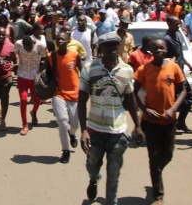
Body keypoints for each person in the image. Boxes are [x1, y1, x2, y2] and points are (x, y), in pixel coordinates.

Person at [80, 33, 144, 204]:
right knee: (92, 166)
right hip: (95, 130)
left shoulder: (127, 70)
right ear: (100, 49)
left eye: (116, 45)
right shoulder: (89, 69)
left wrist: (138, 125)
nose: (113, 48)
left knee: (114, 175)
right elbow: (81, 101)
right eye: (108, 45)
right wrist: (84, 130)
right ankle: (94, 180)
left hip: (118, 132)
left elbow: (131, 100)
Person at [133, 38, 188, 205]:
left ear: (166, 50)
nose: (160, 51)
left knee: (168, 154)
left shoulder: (174, 67)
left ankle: (157, 171)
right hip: (150, 122)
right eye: (156, 48)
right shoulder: (143, 70)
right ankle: (158, 195)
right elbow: (133, 94)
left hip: (169, 120)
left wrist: (173, 109)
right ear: (150, 50)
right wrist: (145, 110)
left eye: (162, 48)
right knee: (154, 157)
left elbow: (183, 90)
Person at [50, 30, 83, 164]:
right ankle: (65, 150)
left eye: (63, 39)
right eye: (58, 39)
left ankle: (72, 133)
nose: (60, 41)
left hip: (74, 93)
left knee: (75, 124)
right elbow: (44, 72)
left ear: (68, 41)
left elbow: (83, 71)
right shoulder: (51, 56)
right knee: (63, 122)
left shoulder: (75, 55)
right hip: (58, 93)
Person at [164, 15, 192, 133]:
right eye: (176, 24)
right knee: (174, 99)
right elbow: (168, 59)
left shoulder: (177, 35)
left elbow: (179, 55)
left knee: (188, 98)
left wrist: (188, 64)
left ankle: (180, 122)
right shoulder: (167, 39)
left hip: (181, 72)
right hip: (173, 75)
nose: (178, 26)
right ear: (169, 24)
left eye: (179, 23)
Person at [14, 35, 46, 135]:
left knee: (37, 100)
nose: (27, 50)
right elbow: (15, 55)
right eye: (25, 48)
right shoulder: (18, 44)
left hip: (34, 77)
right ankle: (24, 125)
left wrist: (40, 72)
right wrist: (16, 63)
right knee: (24, 100)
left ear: (33, 44)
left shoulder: (40, 46)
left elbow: (45, 59)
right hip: (22, 75)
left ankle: (34, 112)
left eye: (29, 48)